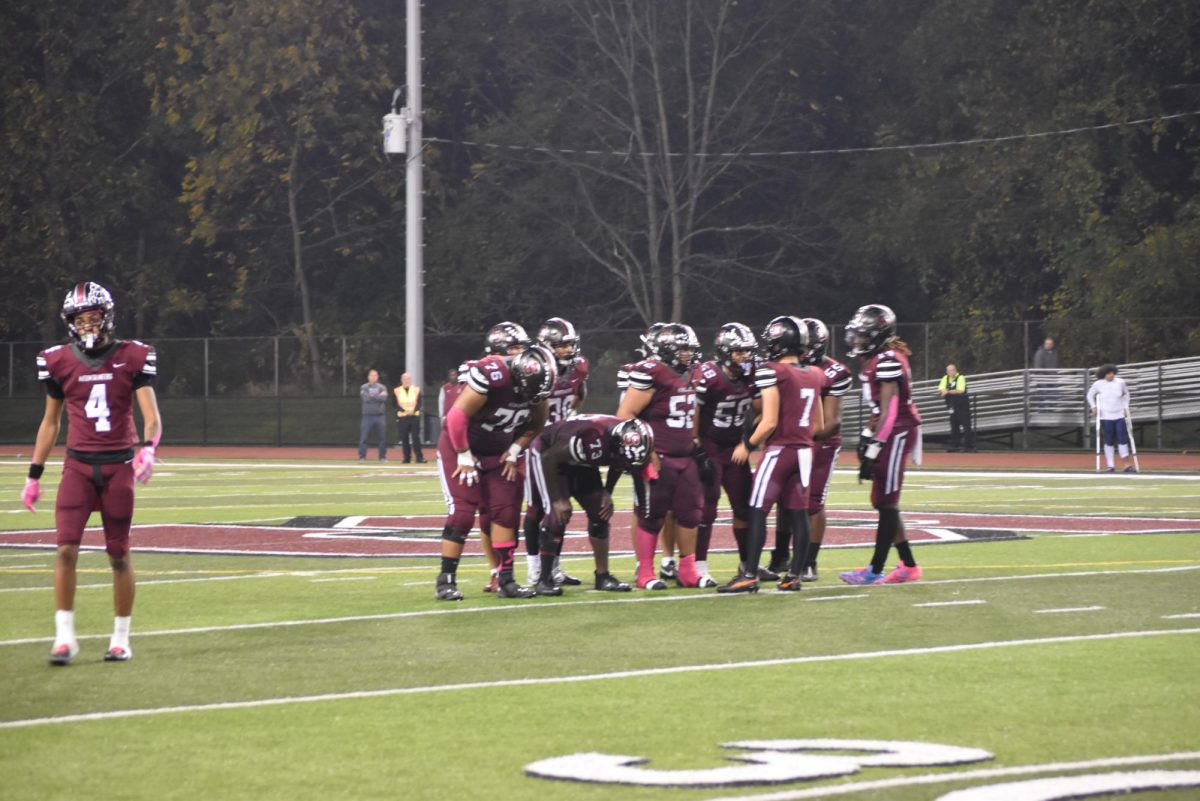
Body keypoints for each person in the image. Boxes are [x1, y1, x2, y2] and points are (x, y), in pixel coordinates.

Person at [22, 282, 161, 665]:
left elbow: (151, 417)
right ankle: (64, 637)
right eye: (79, 319)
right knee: (66, 549)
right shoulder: (57, 360)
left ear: (107, 317)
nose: (86, 325)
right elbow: (50, 424)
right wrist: (34, 475)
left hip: (118, 466)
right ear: (69, 322)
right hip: (78, 467)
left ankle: (121, 638)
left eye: (93, 317)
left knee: (118, 554)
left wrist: (148, 449)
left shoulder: (132, 356)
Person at [435, 342, 556, 600]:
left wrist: (515, 449)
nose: (532, 397)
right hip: (461, 447)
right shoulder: (493, 375)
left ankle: (506, 580)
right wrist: (464, 454)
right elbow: (457, 416)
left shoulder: (538, 386)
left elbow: (536, 424)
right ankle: (446, 580)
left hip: (498, 452)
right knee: (463, 513)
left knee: (506, 513)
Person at [719, 316, 824, 593]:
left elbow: (769, 421)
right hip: (804, 450)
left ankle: (749, 574)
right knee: (799, 514)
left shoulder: (773, 371)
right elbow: (819, 426)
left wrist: (748, 445)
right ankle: (794, 576)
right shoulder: (814, 374)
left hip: (780, 451)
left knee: (757, 510)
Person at [839, 304, 924, 585]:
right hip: (889, 428)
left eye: (863, 335)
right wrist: (867, 434)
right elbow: (880, 412)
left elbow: (890, 411)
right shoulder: (878, 358)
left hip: (897, 430)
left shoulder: (888, 360)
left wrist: (873, 449)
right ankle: (908, 565)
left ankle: (875, 569)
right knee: (883, 501)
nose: (857, 340)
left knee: (887, 501)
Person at [616, 323, 705, 590]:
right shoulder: (650, 372)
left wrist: (695, 440)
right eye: (682, 349)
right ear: (666, 349)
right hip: (659, 455)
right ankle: (645, 572)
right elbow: (625, 416)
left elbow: (693, 411)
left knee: (691, 514)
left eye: (690, 349)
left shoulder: (693, 373)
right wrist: (647, 451)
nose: (688, 355)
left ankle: (688, 569)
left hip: (684, 455)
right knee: (651, 515)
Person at [527, 415, 654, 594]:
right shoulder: (593, 438)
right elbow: (550, 458)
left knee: (600, 510)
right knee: (556, 514)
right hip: (548, 454)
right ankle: (543, 579)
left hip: (581, 459)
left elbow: (618, 462)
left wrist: (607, 492)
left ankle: (602, 576)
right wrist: (558, 500)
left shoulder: (624, 440)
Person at [769, 318, 853, 582]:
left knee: (813, 503)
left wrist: (802, 438)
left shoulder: (833, 372)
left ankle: (808, 560)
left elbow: (831, 421)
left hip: (820, 441)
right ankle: (781, 555)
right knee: (784, 500)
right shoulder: (786, 367)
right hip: (793, 439)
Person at [522, 317, 589, 587]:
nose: (567, 351)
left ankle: (555, 567)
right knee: (537, 508)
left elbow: (580, 392)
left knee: (559, 507)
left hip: (562, 444)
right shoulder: (534, 368)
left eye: (570, 345)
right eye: (561, 346)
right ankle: (534, 569)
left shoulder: (578, 368)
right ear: (548, 346)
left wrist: (571, 413)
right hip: (538, 445)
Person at [693, 323, 758, 587]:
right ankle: (699, 566)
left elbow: (764, 411)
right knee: (706, 510)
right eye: (739, 352)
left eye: (747, 351)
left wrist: (749, 443)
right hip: (710, 447)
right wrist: (696, 447)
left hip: (735, 448)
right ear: (724, 351)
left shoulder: (752, 374)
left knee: (745, 508)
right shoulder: (708, 375)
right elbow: (693, 414)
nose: (745, 357)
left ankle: (747, 566)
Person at [1087, 364, 1135, 473]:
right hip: (1105, 416)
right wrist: (1094, 407)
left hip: (1119, 415)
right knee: (1108, 441)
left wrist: (1126, 407)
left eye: (1112, 373)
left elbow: (1126, 394)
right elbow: (1089, 395)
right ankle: (1110, 465)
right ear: (1104, 374)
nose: (1111, 375)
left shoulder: (1120, 382)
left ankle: (1126, 465)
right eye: (1108, 373)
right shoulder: (1098, 384)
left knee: (1122, 439)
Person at [938, 363, 975, 452]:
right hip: (951, 406)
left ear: (955, 370)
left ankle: (968, 446)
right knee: (954, 426)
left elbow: (960, 390)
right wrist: (946, 391)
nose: (951, 372)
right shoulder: (945, 378)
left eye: (952, 370)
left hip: (962, 406)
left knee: (966, 426)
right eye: (949, 370)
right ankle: (955, 445)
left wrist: (948, 391)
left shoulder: (961, 377)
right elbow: (941, 389)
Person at [393, 372, 425, 463]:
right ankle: (406, 458)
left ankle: (419, 457)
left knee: (416, 438)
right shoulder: (397, 390)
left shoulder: (416, 390)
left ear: (410, 380)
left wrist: (413, 410)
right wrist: (404, 410)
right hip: (403, 418)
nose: (407, 381)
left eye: (408, 379)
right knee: (404, 439)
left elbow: (419, 403)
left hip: (414, 417)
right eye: (405, 379)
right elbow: (395, 404)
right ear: (401, 380)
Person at [358, 369, 388, 462]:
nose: (373, 377)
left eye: (375, 375)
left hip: (380, 416)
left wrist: (373, 397)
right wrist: (377, 397)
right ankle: (362, 457)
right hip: (367, 416)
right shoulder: (364, 387)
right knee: (364, 437)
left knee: (382, 437)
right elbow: (365, 398)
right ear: (368, 377)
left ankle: (382, 457)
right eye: (371, 375)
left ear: (377, 377)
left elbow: (384, 398)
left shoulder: (382, 387)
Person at [1032, 336, 1059, 412]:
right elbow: (1038, 367)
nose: (1049, 345)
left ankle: (1050, 410)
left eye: (1050, 344)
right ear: (1044, 344)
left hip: (1052, 378)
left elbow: (1055, 365)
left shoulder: (1054, 353)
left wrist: (1054, 374)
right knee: (1043, 396)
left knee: (1055, 394)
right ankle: (1042, 412)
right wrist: (1043, 377)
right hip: (1042, 378)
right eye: (1047, 344)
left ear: (1052, 344)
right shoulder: (1040, 353)